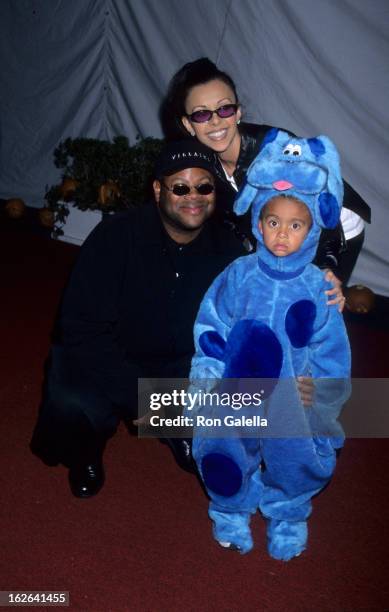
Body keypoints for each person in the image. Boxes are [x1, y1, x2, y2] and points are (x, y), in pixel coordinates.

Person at [30, 139, 342, 498]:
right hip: (105, 357)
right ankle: (87, 449)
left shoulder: (228, 250)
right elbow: (81, 331)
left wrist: (304, 372)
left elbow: (260, 316)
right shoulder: (115, 236)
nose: (193, 196)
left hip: (176, 366)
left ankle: (177, 429)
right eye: (180, 187)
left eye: (203, 186)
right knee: (72, 405)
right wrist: (139, 397)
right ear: (158, 189)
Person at [187, 130, 351, 561]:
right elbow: (213, 323)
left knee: (292, 460)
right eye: (272, 221)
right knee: (223, 448)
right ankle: (230, 510)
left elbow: (332, 350)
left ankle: (288, 515)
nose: (281, 234)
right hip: (237, 388)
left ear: (313, 228)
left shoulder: (319, 287)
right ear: (258, 220)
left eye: (295, 225)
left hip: (289, 397)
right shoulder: (239, 273)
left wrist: (322, 394)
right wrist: (206, 375)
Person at [162, 57, 371, 285]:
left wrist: (327, 266)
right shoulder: (203, 162)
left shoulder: (276, 151)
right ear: (188, 124)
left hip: (335, 226)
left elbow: (319, 209)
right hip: (285, 225)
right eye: (202, 114)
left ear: (238, 112)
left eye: (225, 109)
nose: (215, 122)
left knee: (310, 303)